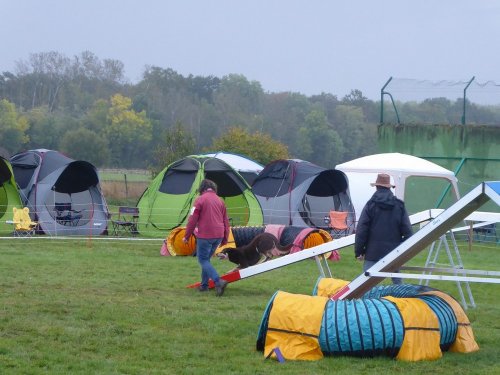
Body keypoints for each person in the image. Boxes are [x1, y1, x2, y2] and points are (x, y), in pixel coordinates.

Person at [354, 173, 413, 284]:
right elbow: (408, 233)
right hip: (394, 252)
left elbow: (362, 230)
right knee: (398, 285)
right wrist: (403, 253)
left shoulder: (370, 205)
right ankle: (400, 300)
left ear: (376, 187)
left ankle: (368, 300)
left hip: (372, 252)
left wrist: (359, 251)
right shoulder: (399, 206)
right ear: (389, 187)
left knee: (365, 285)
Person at [182, 179, 230, 296]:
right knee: (206, 260)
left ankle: (218, 281)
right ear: (214, 189)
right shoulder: (220, 201)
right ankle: (204, 286)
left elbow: (192, 220)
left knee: (202, 260)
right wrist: (225, 237)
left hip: (206, 235)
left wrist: (187, 236)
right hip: (218, 235)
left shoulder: (200, 200)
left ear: (201, 189)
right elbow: (226, 221)